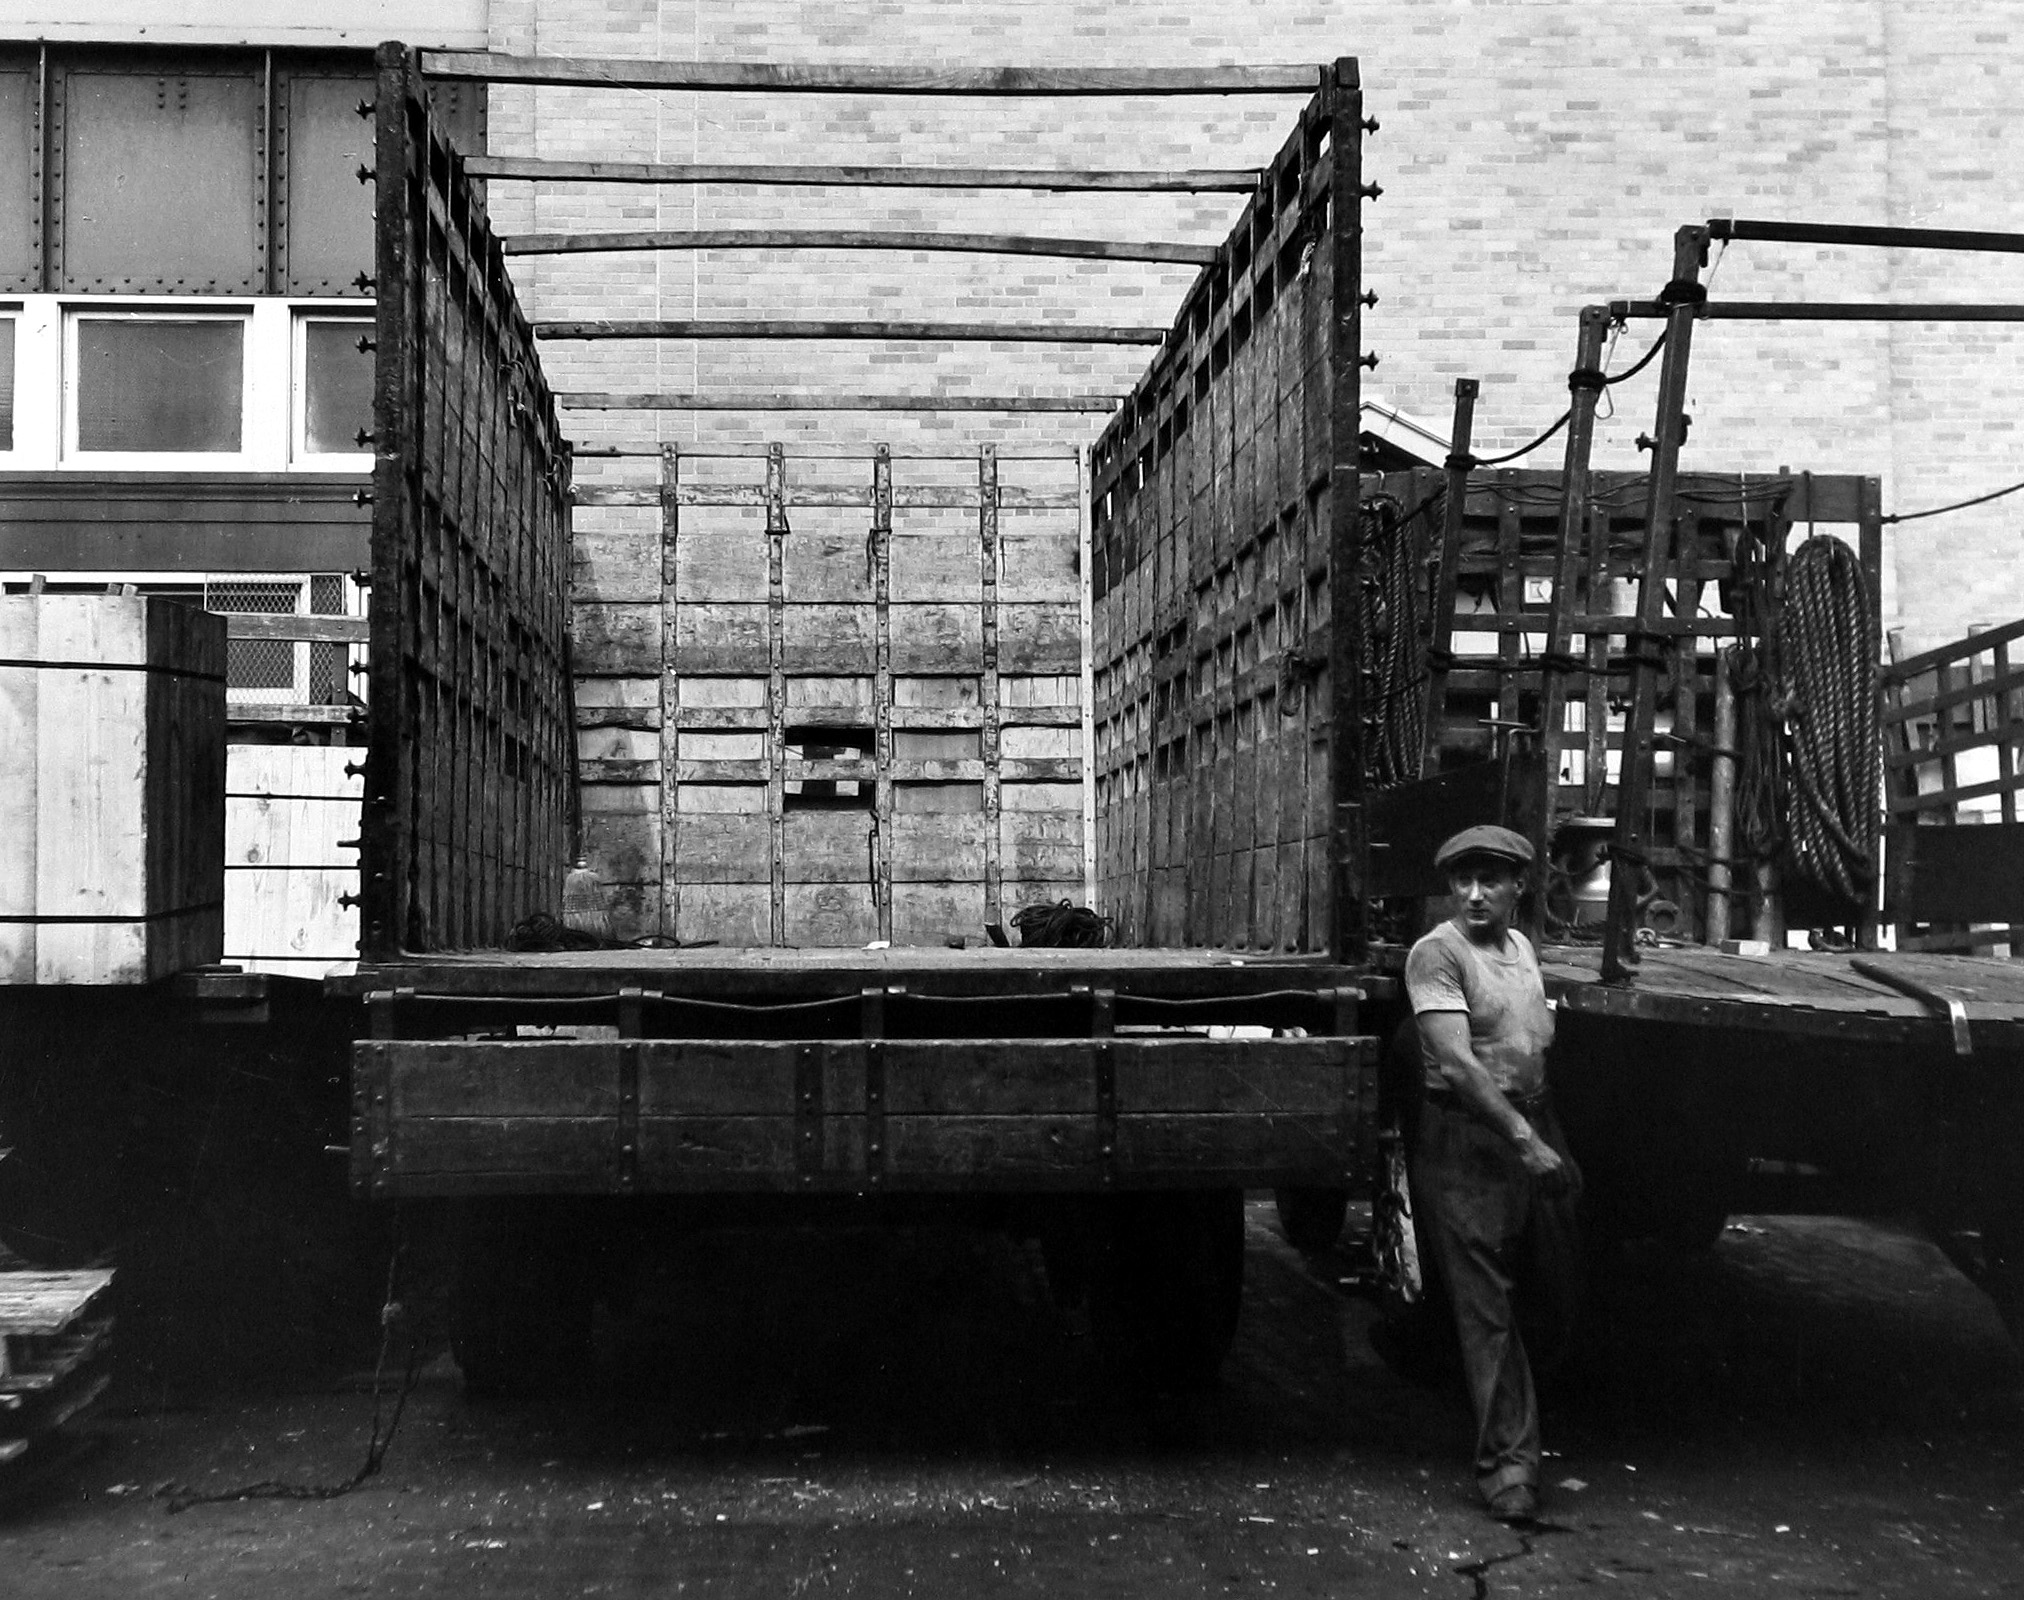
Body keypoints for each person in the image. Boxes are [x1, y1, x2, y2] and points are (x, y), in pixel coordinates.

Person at [1403, 824, 1583, 1525]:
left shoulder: (1521, 948)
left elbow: (1532, 1040)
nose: (1475, 895)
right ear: (1450, 887)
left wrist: (1543, 1136)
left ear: (1519, 887)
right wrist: (1521, 1139)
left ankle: (1430, 1361)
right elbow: (1458, 1064)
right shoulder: (1436, 955)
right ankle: (1508, 1469)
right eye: (1462, 882)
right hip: (1470, 1137)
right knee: (1489, 1313)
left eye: (1491, 881)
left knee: (1559, 1291)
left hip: (1535, 1124)